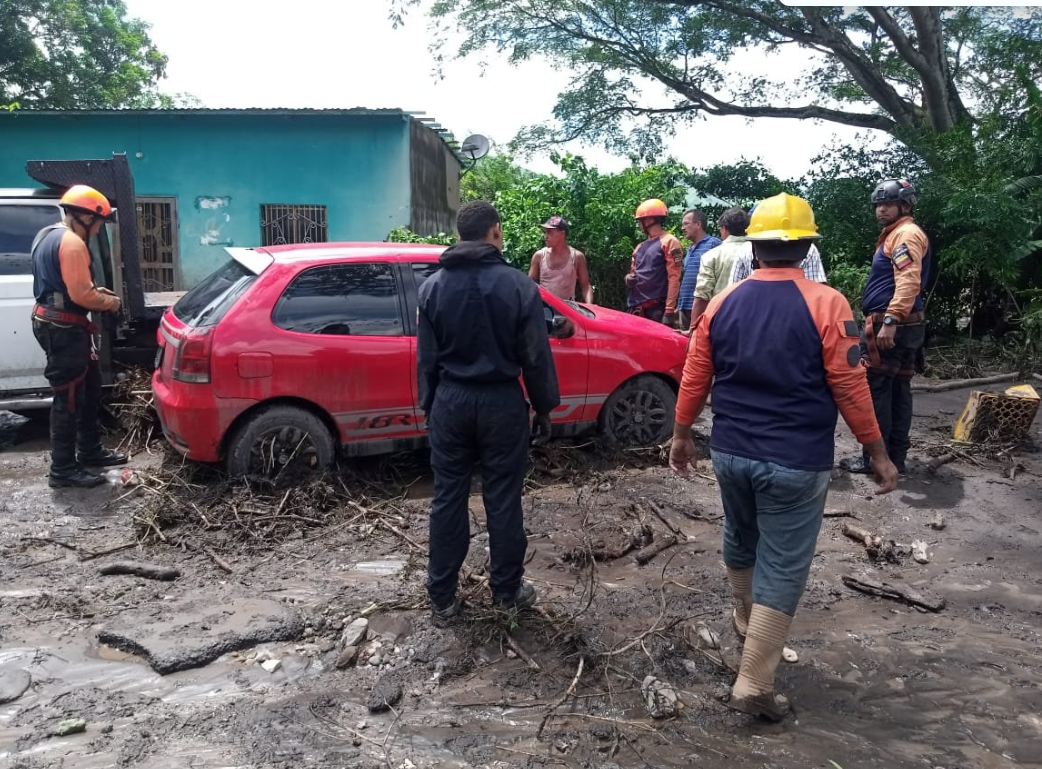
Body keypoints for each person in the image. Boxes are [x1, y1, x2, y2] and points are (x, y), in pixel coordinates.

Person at [669, 192, 898, 721]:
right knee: (784, 562)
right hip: (795, 460)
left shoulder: (723, 304)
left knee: (740, 536)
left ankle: (749, 627)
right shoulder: (830, 304)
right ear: (805, 247)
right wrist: (876, 451)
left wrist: (681, 435)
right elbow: (850, 383)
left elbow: (694, 374)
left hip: (730, 452)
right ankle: (754, 679)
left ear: (754, 251)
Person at [417, 200, 561, 623]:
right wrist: (545, 408)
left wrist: (432, 408)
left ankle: (442, 598)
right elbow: (535, 356)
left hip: (451, 401)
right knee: (502, 498)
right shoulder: (518, 286)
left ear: (460, 234)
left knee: (447, 498)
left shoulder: (432, 288)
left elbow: (425, 360)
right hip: (502, 403)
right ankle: (506, 591)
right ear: (494, 231)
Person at [31, 184, 127, 488]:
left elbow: (64, 287)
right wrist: (111, 301)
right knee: (69, 398)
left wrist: (97, 293)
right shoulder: (72, 243)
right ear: (86, 218)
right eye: (99, 224)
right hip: (64, 330)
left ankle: (90, 452)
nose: (99, 230)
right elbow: (82, 295)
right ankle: (63, 470)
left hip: (58, 323)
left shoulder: (47, 235)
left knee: (89, 388)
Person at [840, 179, 931, 476]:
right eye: (878, 204)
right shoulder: (898, 234)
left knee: (877, 389)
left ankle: (874, 459)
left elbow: (908, 280)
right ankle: (895, 457)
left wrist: (890, 320)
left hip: (891, 326)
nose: (881, 209)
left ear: (904, 206)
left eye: (887, 204)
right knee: (897, 389)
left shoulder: (904, 235)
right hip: (905, 325)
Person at [686, 207, 751, 328]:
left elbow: (702, 296)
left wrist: (693, 328)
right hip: (752, 320)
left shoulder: (711, 255)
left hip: (721, 321)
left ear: (724, 228)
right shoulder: (758, 253)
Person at [624, 199, 684, 326]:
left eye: (640, 221)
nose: (639, 224)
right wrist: (628, 279)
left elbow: (674, 277)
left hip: (657, 308)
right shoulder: (640, 246)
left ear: (650, 220)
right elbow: (633, 272)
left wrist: (669, 311)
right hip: (636, 305)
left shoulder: (669, 242)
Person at [528, 215, 594, 303]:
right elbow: (529, 285)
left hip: (568, 310)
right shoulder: (539, 256)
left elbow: (585, 286)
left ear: (562, 234)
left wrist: (590, 307)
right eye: (545, 232)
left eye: (550, 232)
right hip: (545, 310)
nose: (546, 236)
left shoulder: (577, 257)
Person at [677, 209, 721, 330]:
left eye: (686, 224)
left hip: (703, 307)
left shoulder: (714, 243)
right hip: (684, 306)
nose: (683, 228)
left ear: (698, 224)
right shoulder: (689, 249)